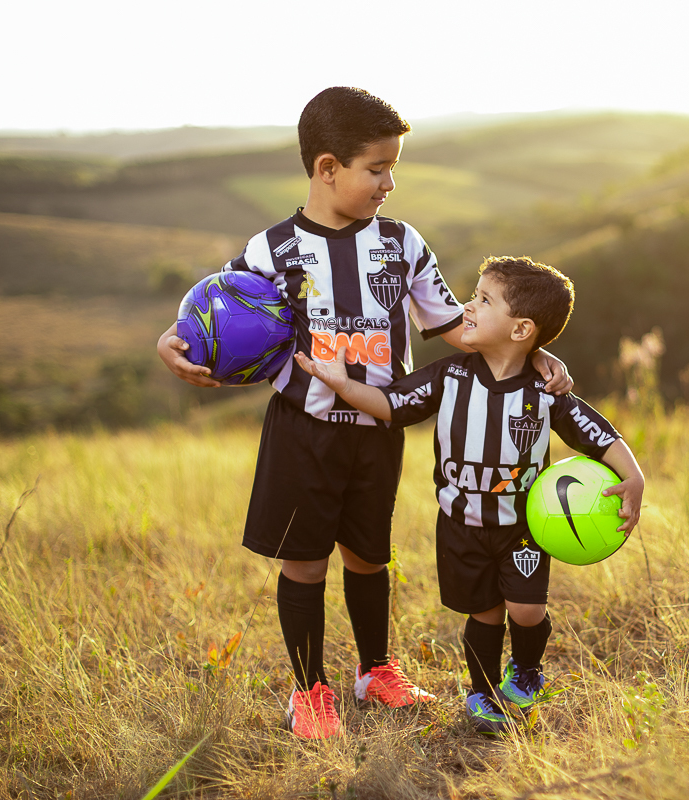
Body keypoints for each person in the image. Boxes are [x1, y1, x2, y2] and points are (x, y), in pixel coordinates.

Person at [156, 88, 573, 740]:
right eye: (376, 168)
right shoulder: (272, 249)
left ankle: (376, 669)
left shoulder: (403, 244)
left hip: (378, 430)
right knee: (304, 562)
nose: (390, 182)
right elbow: (217, 313)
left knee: (369, 557)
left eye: (393, 167)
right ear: (327, 168)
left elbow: (460, 326)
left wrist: (535, 354)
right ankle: (310, 690)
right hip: (304, 430)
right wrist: (171, 341)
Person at [295, 255, 645, 734]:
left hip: (523, 527)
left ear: (521, 330)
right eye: (473, 296)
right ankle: (481, 693)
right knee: (484, 613)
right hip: (461, 525)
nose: (468, 307)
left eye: (483, 300)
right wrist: (341, 384)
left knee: (526, 609)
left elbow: (599, 434)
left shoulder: (546, 392)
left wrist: (634, 477)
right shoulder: (451, 376)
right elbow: (393, 406)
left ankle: (525, 671)